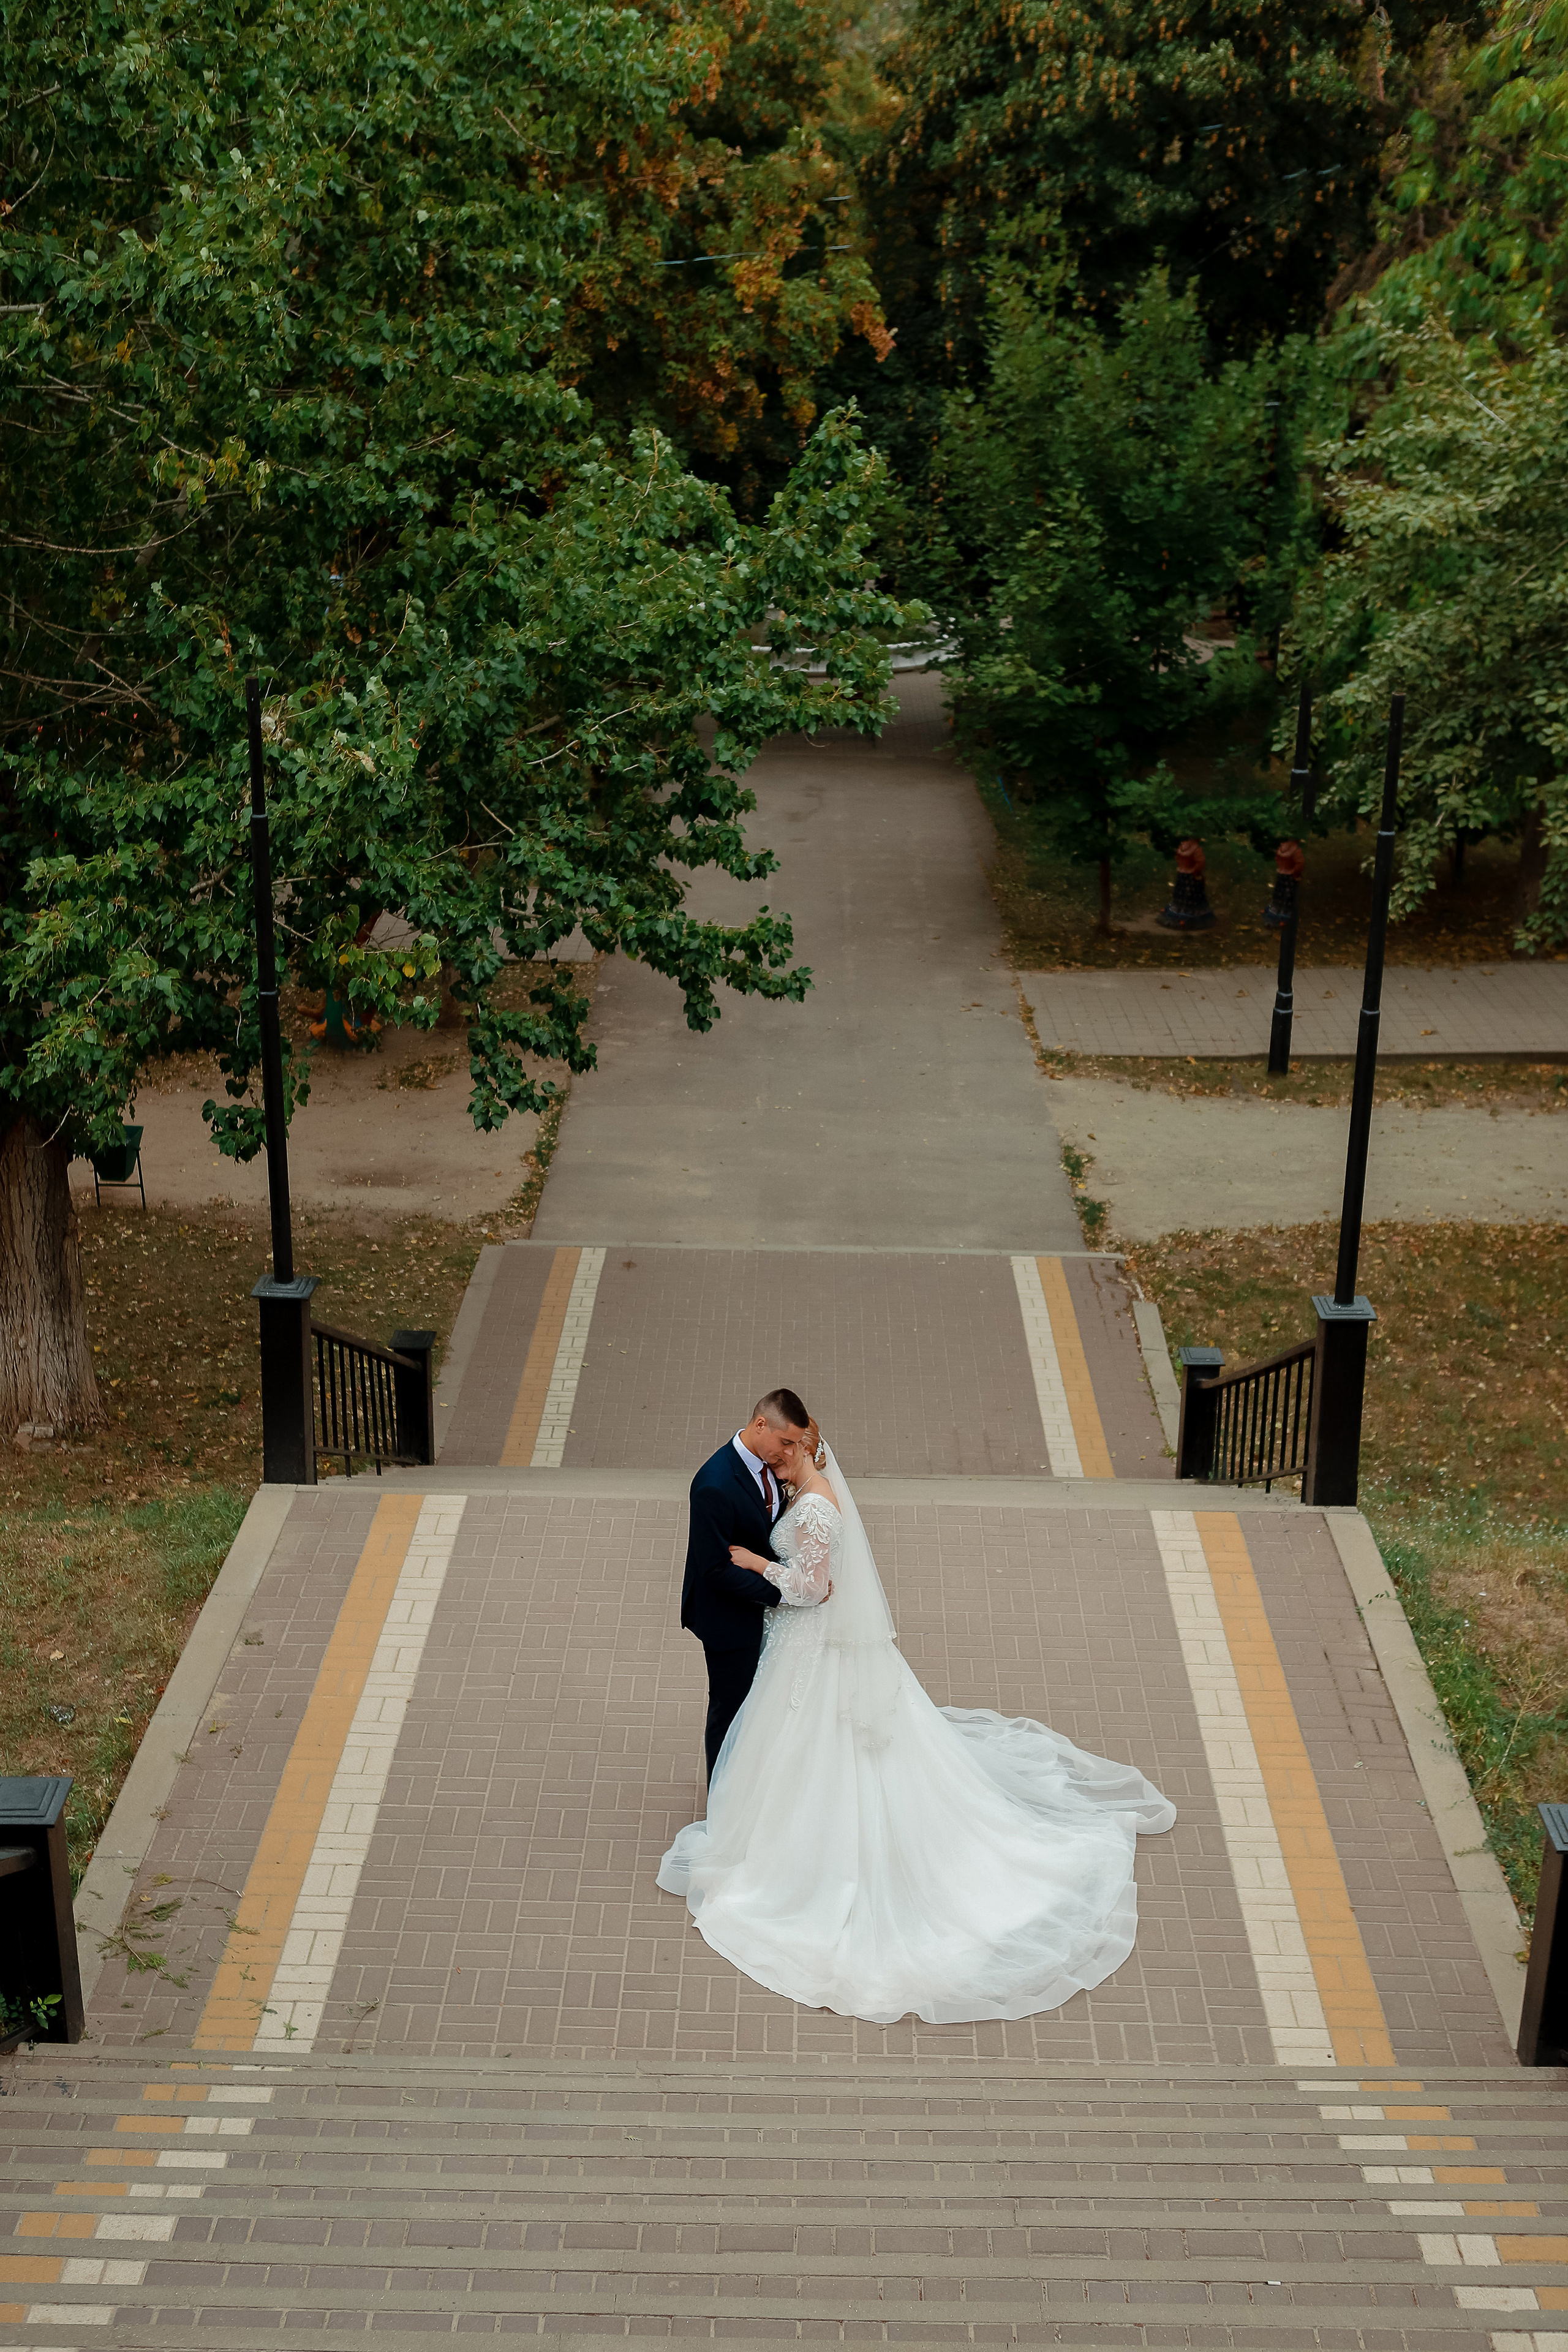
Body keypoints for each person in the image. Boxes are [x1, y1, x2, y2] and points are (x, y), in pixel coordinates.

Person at [660, 1419, 1175, 2026]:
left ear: (799, 1447)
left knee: (812, 1735)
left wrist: (759, 1566)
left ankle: (790, 1843)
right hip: (799, 1644)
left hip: (806, 1633)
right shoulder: (804, 1493)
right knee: (795, 1731)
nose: (770, 1468)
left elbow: (814, 1590)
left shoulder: (817, 1508)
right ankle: (766, 1815)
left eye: (778, 1459)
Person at [679, 1388, 829, 1781]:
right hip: (730, 1619)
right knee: (731, 1711)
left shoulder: (772, 1468)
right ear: (760, 1424)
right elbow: (713, 1569)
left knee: (763, 1709)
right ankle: (722, 1800)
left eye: (795, 1444)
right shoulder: (714, 1484)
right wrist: (784, 1593)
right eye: (785, 1442)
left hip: (772, 1612)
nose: (790, 1452)